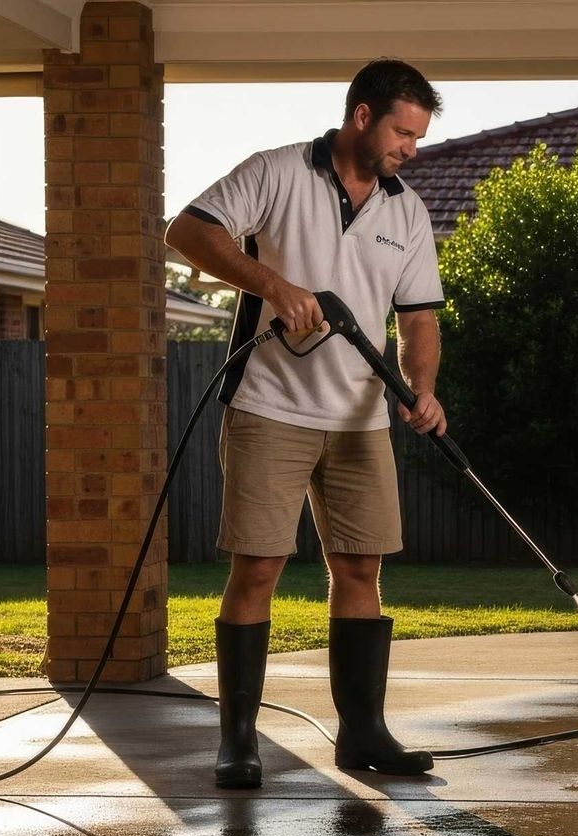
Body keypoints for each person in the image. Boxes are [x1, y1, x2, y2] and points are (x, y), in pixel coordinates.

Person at [165, 58, 448, 788]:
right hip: (270, 406)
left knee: (361, 567)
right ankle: (238, 740)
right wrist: (273, 285)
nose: (410, 149)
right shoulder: (278, 172)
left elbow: (418, 319)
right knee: (257, 566)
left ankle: (362, 734)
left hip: (360, 418)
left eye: (418, 136)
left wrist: (422, 388)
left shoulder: (405, 210)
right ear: (362, 116)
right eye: (402, 132)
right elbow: (187, 231)